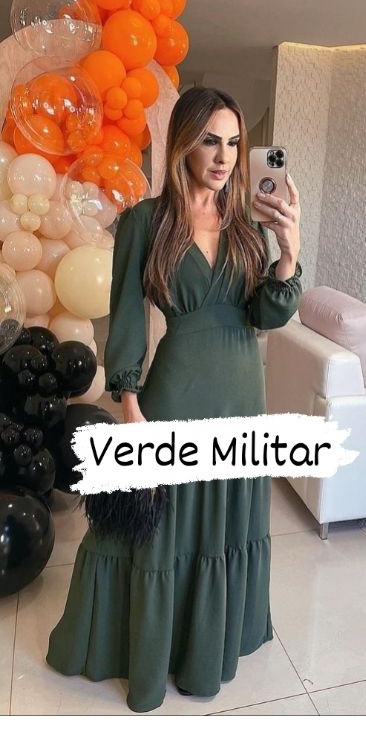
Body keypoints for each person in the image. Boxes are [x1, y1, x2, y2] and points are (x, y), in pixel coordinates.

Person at [46, 87, 302, 713]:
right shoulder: (146, 221)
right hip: (176, 393)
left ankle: (205, 649)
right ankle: (139, 650)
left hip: (242, 396)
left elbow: (266, 315)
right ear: (183, 143)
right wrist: (130, 405)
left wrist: (289, 253)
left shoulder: (248, 225)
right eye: (210, 141)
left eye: (234, 143)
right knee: (153, 530)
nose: (224, 157)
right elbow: (127, 318)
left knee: (223, 526)